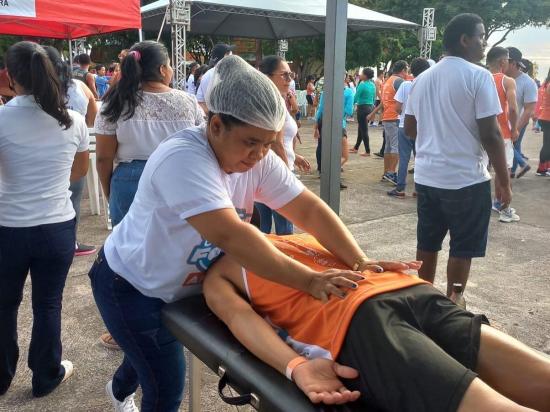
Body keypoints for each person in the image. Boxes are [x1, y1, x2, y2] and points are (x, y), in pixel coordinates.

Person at [88, 55, 411, 412]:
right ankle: (120, 393)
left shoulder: (259, 158)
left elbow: (308, 209)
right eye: (250, 142)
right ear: (215, 126)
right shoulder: (183, 158)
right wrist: (310, 281)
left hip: (182, 284)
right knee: (165, 383)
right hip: (132, 285)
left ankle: (118, 387)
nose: (259, 155)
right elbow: (233, 237)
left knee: (146, 354)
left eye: (268, 143)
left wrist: (359, 259)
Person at [204, 233, 550, 412]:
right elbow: (239, 318)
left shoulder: (284, 237)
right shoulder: (221, 273)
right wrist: (296, 366)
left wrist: (367, 261)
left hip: (404, 294)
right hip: (363, 322)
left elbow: (318, 218)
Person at [94, 41, 204, 352]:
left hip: (129, 180)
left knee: (126, 256)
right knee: (173, 250)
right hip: (178, 180)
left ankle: (124, 329)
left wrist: (110, 190)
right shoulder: (186, 102)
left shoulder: (114, 103)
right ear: (162, 69)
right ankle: (176, 321)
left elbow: (104, 158)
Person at [0, 41, 89, 398]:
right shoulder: (74, 121)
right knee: (48, 303)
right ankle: (46, 374)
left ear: (10, 76)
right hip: (56, 226)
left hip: (8, 227)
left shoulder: (2, 119)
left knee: (5, 304)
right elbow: (77, 172)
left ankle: (1, 376)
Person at [404, 13, 511, 298]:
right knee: (462, 248)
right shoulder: (479, 76)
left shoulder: (422, 79)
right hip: (466, 179)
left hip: (428, 178)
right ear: (465, 40)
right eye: (481, 35)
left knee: (427, 243)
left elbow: (410, 128)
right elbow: (491, 134)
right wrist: (504, 179)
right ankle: (453, 302)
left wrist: (437, 138)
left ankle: (424, 298)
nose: (484, 42)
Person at [43, 46, 98, 257]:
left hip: (42, 153)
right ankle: (70, 242)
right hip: (74, 150)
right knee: (72, 197)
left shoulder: (34, 89)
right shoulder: (80, 85)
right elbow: (92, 115)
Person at [255, 55, 311, 235]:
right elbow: (275, 143)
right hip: (276, 171)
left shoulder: (266, 99)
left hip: (262, 170)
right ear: (267, 77)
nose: (290, 80)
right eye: (284, 75)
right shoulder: (275, 102)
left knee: (261, 228)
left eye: (291, 75)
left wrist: (295, 157)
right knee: (285, 230)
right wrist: (287, 171)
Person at [486, 46, 521, 222]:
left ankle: (494, 202)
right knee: (503, 171)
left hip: (482, 132)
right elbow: (513, 109)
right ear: (502, 62)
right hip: (502, 133)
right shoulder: (507, 81)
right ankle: (504, 209)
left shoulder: (481, 77)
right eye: (507, 60)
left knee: (481, 169)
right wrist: (514, 129)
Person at [387, 57, 431, 199]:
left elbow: (398, 107)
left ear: (411, 70)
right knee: (420, 158)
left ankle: (400, 188)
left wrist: (404, 113)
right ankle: (419, 189)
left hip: (404, 125)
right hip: (423, 127)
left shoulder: (406, 85)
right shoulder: (429, 86)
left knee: (404, 158)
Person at [369, 60, 409, 185]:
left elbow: (383, 102)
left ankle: (386, 173)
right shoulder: (400, 81)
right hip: (395, 117)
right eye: (407, 70)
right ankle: (391, 173)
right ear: (403, 70)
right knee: (396, 147)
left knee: (388, 146)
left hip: (387, 117)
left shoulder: (388, 81)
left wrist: (373, 113)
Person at [314, 73, 354, 189]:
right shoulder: (348, 92)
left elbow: (320, 109)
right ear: (344, 78)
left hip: (324, 121)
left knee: (322, 146)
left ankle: (322, 170)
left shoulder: (326, 91)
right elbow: (349, 110)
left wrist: (316, 126)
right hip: (338, 123)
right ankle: (331, 174)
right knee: (343, 154)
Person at [506, 47, 538, 178]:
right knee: (513, 144)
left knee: (511, 143)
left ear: (513, 63)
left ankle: (519, 165)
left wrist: (515, 128)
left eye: (504, 61)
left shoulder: (528, 83)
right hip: (503, 120)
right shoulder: (503, 78)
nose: (500, 64)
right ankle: (513, 170)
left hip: (520, 120)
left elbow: (529, 110)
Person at [196, 43, 235, 113]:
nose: (232, 54)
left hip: (212, 119)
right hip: (227, 119)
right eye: (229, 53)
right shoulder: (228, 74)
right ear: (225, 56)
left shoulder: (206, 75)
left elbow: (200, 102)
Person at [350, 68, 376, 156]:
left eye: (362, 73)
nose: (360, 75)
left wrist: (350, 105)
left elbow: (356, 96)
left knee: (363, 129)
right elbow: (374, 97)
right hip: (369, 107)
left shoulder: (362, 84)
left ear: (365, 75)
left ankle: (367, 151)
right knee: (361, 128)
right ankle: (356, 147)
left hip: (362, 108)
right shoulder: (372, 84)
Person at [536, 69, 550, 176]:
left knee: (547, 144)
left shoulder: (547, 83)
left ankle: (543, 168)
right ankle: (543, 168)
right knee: (547, 144)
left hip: (545, 117)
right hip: (547, 118)